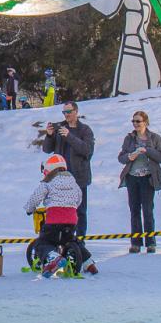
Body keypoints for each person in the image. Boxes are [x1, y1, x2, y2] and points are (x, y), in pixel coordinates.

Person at [24, 154, 96, 277]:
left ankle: (55, 258)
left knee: (43, 242)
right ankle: (89, 264)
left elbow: (35, 198)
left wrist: (29, 209)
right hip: (72, 220)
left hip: (54, 221)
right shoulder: (74, 183)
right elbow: (79, 200)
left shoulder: (49, 183)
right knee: (72, 240)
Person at [42, 101, 96, 238]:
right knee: (62, 210)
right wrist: (49, 135)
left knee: (81, 210)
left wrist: (69, 136)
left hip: (79, 177)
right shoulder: (60, 128)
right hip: (61, 178)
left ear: (76, 112)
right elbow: (47, 149)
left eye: (68, 112)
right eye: (64, 112)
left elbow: (87, 150)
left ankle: (80, 239)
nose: (66, 115)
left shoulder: (85, 130)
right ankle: (66, 238)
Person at [117, 110, 161, 252]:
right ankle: (136, 243)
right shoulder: (129, 138)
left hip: (148, 178)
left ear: (145, 122)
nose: (135, 124)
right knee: (134, 210)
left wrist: (147, 151)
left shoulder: (154, 138)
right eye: (133, 121)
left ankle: (150, 242)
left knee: (148, 210)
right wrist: (129, 157)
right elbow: (121, 157)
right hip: (132, 177)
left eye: (138, 121)